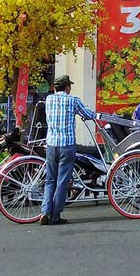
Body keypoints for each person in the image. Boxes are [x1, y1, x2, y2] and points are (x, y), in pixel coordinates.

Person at [40, 74, 98, 225]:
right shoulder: (73, 100)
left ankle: (45, 211)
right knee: (62, 180)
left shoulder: (49, 100)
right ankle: (55, 215)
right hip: (67, 145)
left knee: (50, 179)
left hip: (51, 144)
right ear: (67, 87)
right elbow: (88, 115)